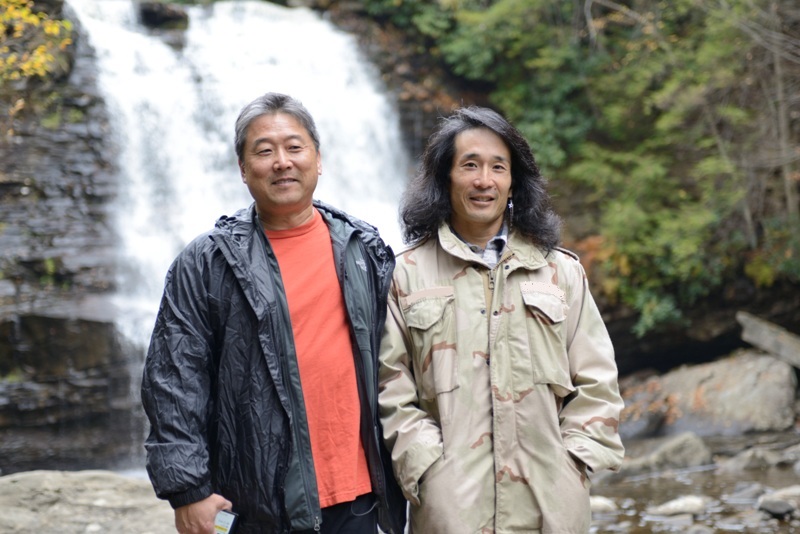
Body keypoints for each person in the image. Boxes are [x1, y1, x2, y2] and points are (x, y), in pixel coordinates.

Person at [141, 92, 406, 534]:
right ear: (243, 170)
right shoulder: (208, 262)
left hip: (358, 497)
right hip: (257, 505)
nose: (282, 161)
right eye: (264, 151)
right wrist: (188, 490)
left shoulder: (365, 249)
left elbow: (402, 364)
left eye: (294, 147)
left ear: (318, 160)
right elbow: (173, 379)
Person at [378, 105, 625, 533]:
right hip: (451, 507)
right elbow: (390, 389)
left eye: (498, 167)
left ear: (514, 182)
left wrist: (573, 463)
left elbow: (598, 381)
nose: (483, 180)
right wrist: (427, 469)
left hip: (551, 505)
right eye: (469, 165)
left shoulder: (559, 272)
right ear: (444, 178)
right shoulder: (405, 275)